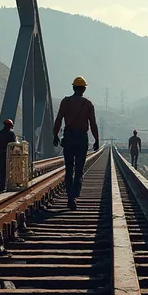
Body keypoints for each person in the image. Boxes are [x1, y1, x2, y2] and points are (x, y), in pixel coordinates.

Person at [53, 76, 99, 210]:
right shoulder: (88, 104)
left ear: (73, 88)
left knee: (69, 169)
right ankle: (75, 195)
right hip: (81, 138)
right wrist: (96, 139)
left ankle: (70, 197)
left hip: (68, 136)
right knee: (79, 170)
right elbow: (93, 124)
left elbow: (59, 119)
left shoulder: (65, 102)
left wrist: (55, 135)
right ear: (84, 89)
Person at [0, 119, 16, 191]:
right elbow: (14, 145)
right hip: (8, 155)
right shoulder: (11, 134)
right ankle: (8, 185)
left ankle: (1, 187)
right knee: (8, 170)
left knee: (1, 170)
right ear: (10, 126)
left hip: (0, 154)